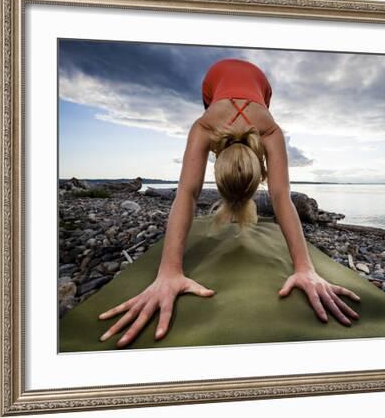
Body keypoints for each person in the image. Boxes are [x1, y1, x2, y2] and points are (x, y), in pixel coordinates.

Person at [97, 58, 361, 348]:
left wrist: (305, 269)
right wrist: (168, 272)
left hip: (258, 86)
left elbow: (187, 192)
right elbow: (279, 196)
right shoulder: (240, 127)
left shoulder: (227, 127)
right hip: (217, 85)